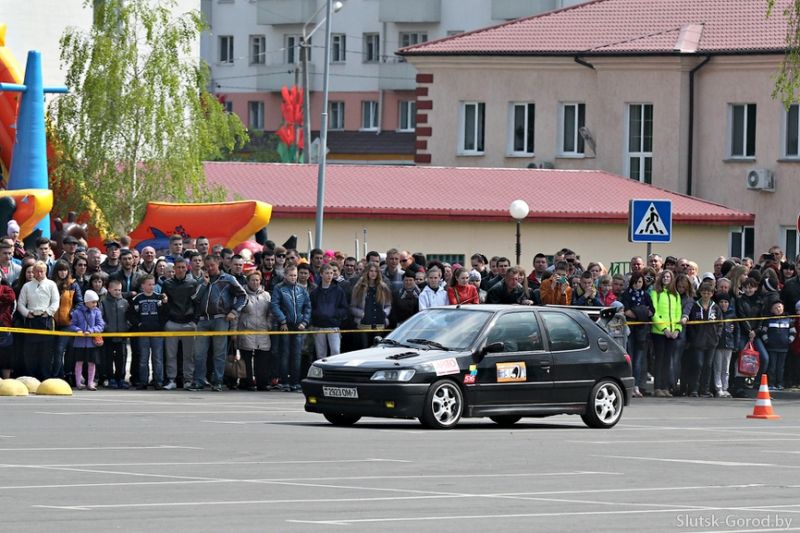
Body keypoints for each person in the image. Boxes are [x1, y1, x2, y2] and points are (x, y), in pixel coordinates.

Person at [191, 254, 246, 391]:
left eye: (212, 265)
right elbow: (195, 298)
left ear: (218, 264)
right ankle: (198, 381)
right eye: (207, 266)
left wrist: (234, 311)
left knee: (219, 353)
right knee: (199, 353)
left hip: (221, 319)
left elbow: (243, 296)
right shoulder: (202, 280)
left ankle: (218, 381)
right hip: (203, 320)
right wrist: (204, 284)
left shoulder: (228, 279)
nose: (210, 268)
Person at [271, 265, 311, 392]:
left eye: (295, 275)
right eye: (291, 275)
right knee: (285, 353)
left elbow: (308, 307)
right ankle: (285, 382)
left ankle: (295, 382)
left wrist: (304, 322)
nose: (293, 278)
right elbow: (275, 305)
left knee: (297, 354)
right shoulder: (278, 288)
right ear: (285, 275)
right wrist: (282, 320)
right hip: (285, 325)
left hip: (298, 326)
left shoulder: (301, 289)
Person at [18, 261, 60, 380]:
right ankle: (31, 377)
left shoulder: (51, 284)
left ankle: (45, 377)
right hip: (31, 320)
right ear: (34, 272)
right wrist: (27, 313)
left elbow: (56, 302)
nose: (39, 273)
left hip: (46, 320)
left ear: (46, 272)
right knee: (30, 351)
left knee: (46, 352)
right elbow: (20, 303)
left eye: (42, 271)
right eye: (37, 271)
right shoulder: (27, 286)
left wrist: (48, 312)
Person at [160, 257, 198, 390]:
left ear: (187, 268)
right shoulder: (167, 283)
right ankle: (171, 380)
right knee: (170, 355)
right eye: (178, 267)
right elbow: (164, 303)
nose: (181, 270)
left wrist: (194, 321)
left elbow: (197, 303)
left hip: (189, 323)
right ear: (174, 269)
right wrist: (166, 321)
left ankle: (188, 380)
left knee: (189, 355)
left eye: (183, 267)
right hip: (172, 323)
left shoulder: (193, 283)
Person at [684, 281, 721, 397]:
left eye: (708, 293)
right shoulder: (695, 306)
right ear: (700, 293)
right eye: (704, 293)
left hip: (711, 341)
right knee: (698, 364)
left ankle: (705, 389)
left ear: (712, 294)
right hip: (698, 342)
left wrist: (717, 336)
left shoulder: (715, 307)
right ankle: (694, 389)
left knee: (708, 365)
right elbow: (690, 325)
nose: (706, 295)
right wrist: (693, 338)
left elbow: (720, 324)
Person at [130, 275, 167, 390]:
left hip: (157, 332)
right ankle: (143, 381)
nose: (152, 287)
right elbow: (131, 314)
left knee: (158, 358)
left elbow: (164, 313)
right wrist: (138, 324)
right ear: (143, 286)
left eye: (153, 284)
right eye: (149, 284)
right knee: (143, 358)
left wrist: (161, 325)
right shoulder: (137, 299)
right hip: (143, 333)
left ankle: (158, 381)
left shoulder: (159, 297)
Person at [237, 271, 272, 390]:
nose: (255, 282)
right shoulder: (242, 294)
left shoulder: (266, 295)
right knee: (246, 359)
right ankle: (247, 383)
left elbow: (270, 313)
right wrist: (235, 331)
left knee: (262, 359)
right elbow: (237, 313)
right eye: (253, 280)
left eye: (257, 280)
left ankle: (262, 383)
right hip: (246, 330)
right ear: (248, 281)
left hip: (263, 331)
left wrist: (269, 324)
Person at [650, 269, 682, 398]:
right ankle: (657, 387)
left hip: (672, 333)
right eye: (664, 276)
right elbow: (654, 312)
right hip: (659, 333)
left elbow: (678, 313)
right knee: (659, 360)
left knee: (668, 361)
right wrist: (664, 329)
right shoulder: (655, 293)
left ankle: (665, 387)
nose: (666, 279)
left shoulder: (676, 295)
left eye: (669, 277)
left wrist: (677, 329)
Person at [621, 271, 652, 398]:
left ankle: (636, 386)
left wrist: (639, 313)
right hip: (630, 330)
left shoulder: (646, 295)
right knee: (630, 357)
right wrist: (641, 313)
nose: (637, 284)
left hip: (642, 332)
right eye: (635, 282)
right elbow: (627, 311)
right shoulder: (626, 295)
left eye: (640, 282)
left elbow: (652, 311)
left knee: (639, 360)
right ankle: (629, 386)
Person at [51, 260, 83, 381]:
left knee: (60, 349)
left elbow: (80, 303)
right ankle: (60, 374)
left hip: (68, 323)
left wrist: (72, 313)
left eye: (65, 270)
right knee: (55, 350)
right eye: (60, 270)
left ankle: (58, 375)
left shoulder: (73, 284)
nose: (63, 273)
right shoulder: (51, 284)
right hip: (53, 322)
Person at [69, 289, 106, 391]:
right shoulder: (77, 312)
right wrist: (77, 330)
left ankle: (90, 383)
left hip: (92, 343)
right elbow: (72, 325)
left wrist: (91, 330)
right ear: (87, 302)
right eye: (93, 302)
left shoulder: (97, 312)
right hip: (79, 342)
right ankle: (78, 383)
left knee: (92, 362)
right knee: (79, 362)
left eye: (96, 302)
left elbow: (101, 325)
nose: (95, 304)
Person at [310, 264, 348, 360]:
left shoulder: (339, 291)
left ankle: (335, 369)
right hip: (319, 326)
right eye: (327, 273)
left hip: (333, 326)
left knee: (335, 351)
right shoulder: (315, 292)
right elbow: (311, 308)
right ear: (321, 274)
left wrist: (334, 314)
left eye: (331, 273)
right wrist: (317, 315)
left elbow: (344, 308)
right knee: (320, 354)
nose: (330, 275)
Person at [350, 263, 393, 347]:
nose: (373, 273)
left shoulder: (383, 287)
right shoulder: (359, 287)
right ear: (367, 272)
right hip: (364, 324)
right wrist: (361, 314)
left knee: (377, 348)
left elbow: (388, 305)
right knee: (365, 347)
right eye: (371, 271)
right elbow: (352, 306)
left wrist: (385, 313)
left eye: (376, 271)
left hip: (379, 324)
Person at [100, 279, 130, 389]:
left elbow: (129, 317)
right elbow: (100, 318)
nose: (118, 292)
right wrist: (107, 328)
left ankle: (120, 378)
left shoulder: (125, 302)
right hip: (108, 336)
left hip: (122, 336)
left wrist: (127, 327)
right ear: (109, 289)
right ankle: (110, 378)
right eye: (115, 290)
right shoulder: (104, 302)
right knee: (108, 358)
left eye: (120, 290)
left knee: (121, 358)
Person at [760, 297, 795, 391]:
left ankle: (779, 383)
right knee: (772, 366)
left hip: (784, 348)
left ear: (783, 308)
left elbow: (793, 332)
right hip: (772, 348)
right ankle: (771, 383)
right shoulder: (769, 320)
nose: (778, 309)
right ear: (772, 310)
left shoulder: (788, 320)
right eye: (775, 308)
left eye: (779, 307)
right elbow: (763, 332)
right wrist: (767, 341)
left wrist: (789, 340)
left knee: (781, 367)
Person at [714, 292, 736, 397]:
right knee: (718, 367)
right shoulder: (715, 314)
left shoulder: (732, 314)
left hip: (729, 344)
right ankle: (718, 388)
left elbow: (737, 330)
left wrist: (735, 344)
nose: (723, 304)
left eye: (726, 302)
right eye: (721, 302)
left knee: (726, 368)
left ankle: (725, 388)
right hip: (718, 345)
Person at [0, 275, 16, 379]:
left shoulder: (6, 288)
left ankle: (7, 380)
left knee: (5, 354)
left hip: (4, 325)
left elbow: (11, 298)